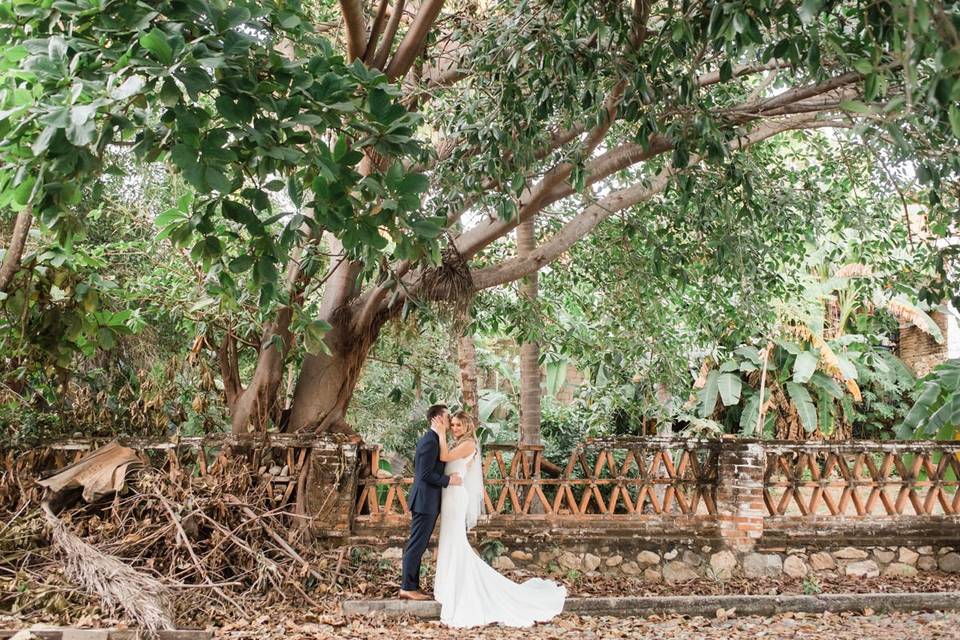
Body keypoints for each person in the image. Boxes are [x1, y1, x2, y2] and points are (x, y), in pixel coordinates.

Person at [431, 410, 566, 627]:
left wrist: (439, 433)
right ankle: (447, 584)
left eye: (458, 425)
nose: (455, 428)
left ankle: (457, 586)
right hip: (449, 495)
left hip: (456, 497)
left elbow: (444, 457)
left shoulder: (469, 444)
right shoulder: (458, 443)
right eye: (453, 425)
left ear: (467, 426)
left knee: (455, 540)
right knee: (447, 539)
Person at [399, 404, 462, 601]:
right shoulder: (430, 441)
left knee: (420, 543)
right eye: (447, 417)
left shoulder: (436, 439)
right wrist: (448, 480)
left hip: (428, 501)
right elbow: (425, 474)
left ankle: (412, 586)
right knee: (416, 545)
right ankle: (407, 587)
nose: (450, 420)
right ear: (438, 419)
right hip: (424, 501)